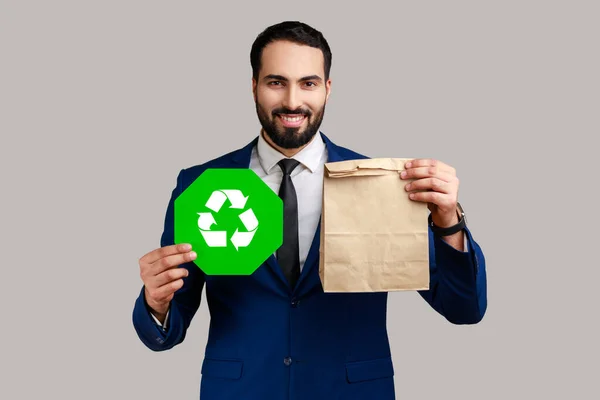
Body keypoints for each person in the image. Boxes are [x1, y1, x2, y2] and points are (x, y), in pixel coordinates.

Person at [132, 21, 487, 400]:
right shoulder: (201, 185)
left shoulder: (380, 184)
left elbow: (462, 307)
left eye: (308, 83)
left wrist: (449, 223)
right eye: (276, 82)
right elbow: (167, 327)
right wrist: (155, 303)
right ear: (253, 85)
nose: (291, 101)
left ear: (327, 89)